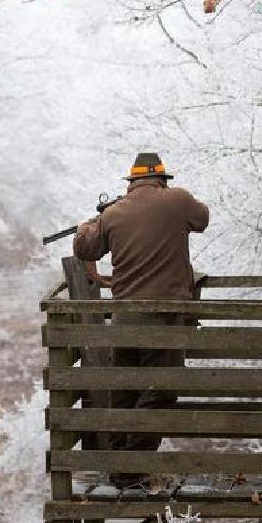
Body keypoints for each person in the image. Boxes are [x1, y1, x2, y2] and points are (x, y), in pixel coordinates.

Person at [72, 152, 209, 488]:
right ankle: (130, 469)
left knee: (126, 389)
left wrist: (89, 223)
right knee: (162, 389)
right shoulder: (178, 200)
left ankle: (123, 469)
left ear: (131, 183)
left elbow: (85, 248)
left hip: (124, 315)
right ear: (163, 179)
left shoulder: (114, 213)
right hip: (164, 314)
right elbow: (202, 219)